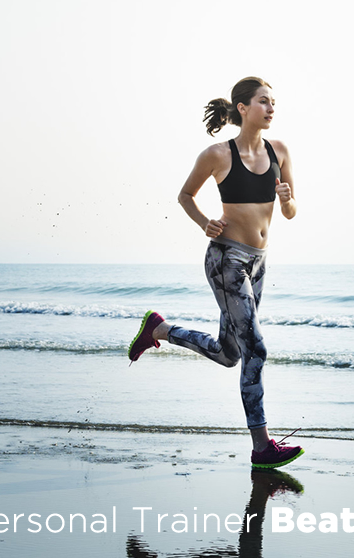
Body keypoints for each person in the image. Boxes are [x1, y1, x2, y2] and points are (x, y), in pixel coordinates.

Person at [128, 76, 303, 469]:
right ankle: (262, 448)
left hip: (258, 262)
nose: (271, 108)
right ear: (243, 109)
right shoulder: (217, 154)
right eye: (263, 102)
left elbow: (290, 213)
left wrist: (288, 201)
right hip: (226, 261)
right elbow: (185, 195)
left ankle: (159, 329)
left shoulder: (280, 151)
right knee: (255, 348)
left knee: (229, 353)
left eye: (273, 102)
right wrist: (204, 221)